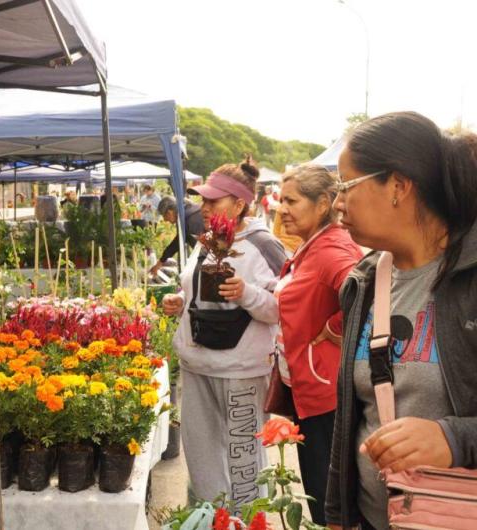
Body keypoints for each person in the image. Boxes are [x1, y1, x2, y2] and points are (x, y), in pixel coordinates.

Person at [325, 112, 477, 530]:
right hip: (378, 518)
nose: (337, 203)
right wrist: (337, 516)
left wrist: (453, 439)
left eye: (345, 186)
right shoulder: (364, 281)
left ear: (398, 185)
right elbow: (354, 418)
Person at [227, 164, 363, 524]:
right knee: (319, 490)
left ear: (322, 205)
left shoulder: (332, 250)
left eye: (292, 200)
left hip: (326, 392)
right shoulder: (311, 247)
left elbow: (371, 294)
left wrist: (335, 329)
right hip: (309, 387)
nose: (281, 208)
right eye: (281, 200)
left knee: (326, 498)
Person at [161, 158, 286, 510]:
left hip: (240, 371)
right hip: (197, 365)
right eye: (203, 200)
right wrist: (180, 300)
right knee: (202, 459)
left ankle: (248, 521)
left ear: (239, 203)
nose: (204, 207)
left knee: (243, 462)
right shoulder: (208, 240)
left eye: (213, 201)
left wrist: (246, 292)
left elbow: (282, 308)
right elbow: (195, 291)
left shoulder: (264, 244)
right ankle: (211, 518)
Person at [148, 196, 206, 276]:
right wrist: (160, 262)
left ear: (170, 212)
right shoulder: (186, 216)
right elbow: (178, 241)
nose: (165, 220)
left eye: (164, 215)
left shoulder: (190, 220)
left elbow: (202, 250)